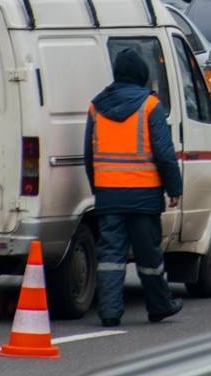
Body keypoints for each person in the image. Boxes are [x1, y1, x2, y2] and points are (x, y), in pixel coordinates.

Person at [84, 49, 183, 328]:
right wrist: (174, 188)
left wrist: (99, 188)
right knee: (149, 256)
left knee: (110, 257)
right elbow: (164, 153)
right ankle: (159, 307)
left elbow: (88, 155)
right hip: (144, 194)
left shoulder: (96, 106)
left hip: (109, 194)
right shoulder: (150, 106)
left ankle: (109, 313)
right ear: (142, 74)